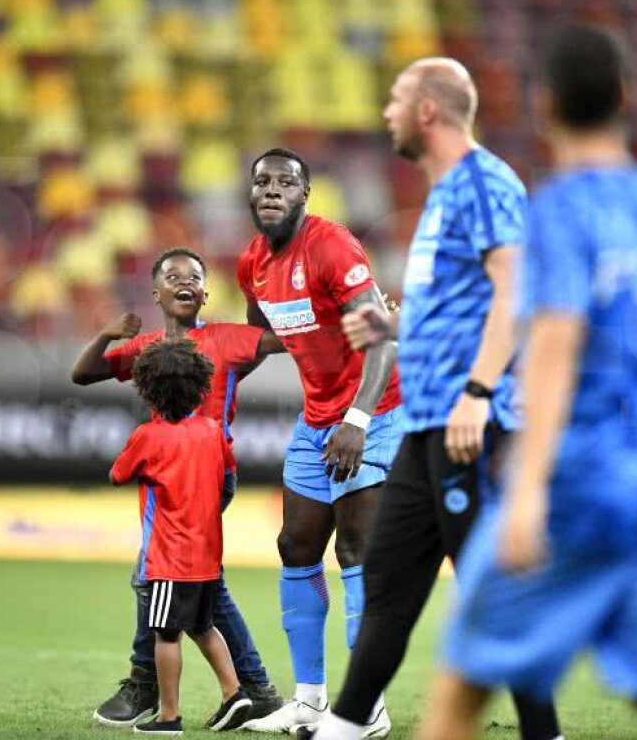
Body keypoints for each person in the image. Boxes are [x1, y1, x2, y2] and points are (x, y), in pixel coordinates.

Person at [417, 24, 637, 740]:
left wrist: (527, 494)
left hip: (579, 490)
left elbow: (556, 346)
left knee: (455, 696)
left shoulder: (562, 211)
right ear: (628, 97)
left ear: (544, 104)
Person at [303, 59, 564, 740]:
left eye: (394, 98)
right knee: (389, 583)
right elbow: (461, 305)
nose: (385, 112)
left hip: (467, 425)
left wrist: (478, 393)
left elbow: (516, 289)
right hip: (428, 426)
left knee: (494, 591)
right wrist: (394, 328)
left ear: (427, 111)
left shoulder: (484, 182)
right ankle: (348, 723)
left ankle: (545, 732)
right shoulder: (446, 195)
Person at [70, 247, 285, 726]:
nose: (184, 280)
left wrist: (260, 295)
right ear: (156, 293)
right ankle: (253, 689)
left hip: (209, 471)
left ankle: (147, 687)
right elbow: (84, 374)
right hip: (168, 470)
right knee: (200, 581)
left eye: (194, 276)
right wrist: (105, 334)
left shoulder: (229, 338)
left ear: (207, 292)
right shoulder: (145, 346)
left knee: (157, 575)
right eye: (172, 275)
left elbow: (282, 339)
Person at [236, 148, 401, 736]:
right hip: (317, 419)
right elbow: (262, 342)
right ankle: (309, 700)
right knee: (296, 544)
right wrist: (208, 375)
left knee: (356, 549)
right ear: (250, 194)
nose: (272, 189)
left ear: (305, 195)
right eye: (262, 181)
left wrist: (356, 419)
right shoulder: (252, 262)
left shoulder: (332, 247)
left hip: (372, 410)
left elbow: (381, 344)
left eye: (286, 181)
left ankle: (366, 709)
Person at [109, 337, 255, 734]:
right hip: (208, 555)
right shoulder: (212, 430)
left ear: (146, 389)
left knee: (166, 634)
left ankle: (169, 717)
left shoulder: (147, 436)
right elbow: (227, 480)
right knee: (203, 626)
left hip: (168, 558)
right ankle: (235, 692)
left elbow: (118, 474)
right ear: (201, 386)